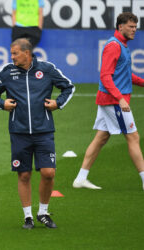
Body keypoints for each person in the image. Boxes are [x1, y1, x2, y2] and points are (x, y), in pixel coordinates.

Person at [0, 38, 74, 229]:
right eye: (11, 53)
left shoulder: (47, 69)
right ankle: (28, 217)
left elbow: (68, 86)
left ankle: (43, 212)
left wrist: (58, 103)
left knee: (49, 172)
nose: (12, 57)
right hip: (19, 132)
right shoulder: (8, 72)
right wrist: (3, 104)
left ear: (27, 53)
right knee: (24, 175)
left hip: (44, 131)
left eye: (15, 53)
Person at [73, 12, 144, 190]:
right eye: (131, 26)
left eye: (136, 26)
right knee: (133, 137)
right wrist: (120, 99)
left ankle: (81, 179)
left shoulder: (122, 45)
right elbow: (105, 76)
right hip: (113, 101)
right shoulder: (114, 46)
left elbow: (126, 75)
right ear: (120, 26)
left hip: (111, 100)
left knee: (101, 138)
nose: (134, 30)